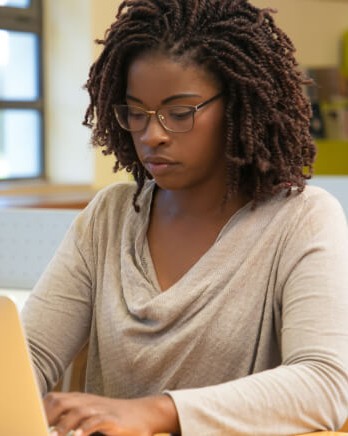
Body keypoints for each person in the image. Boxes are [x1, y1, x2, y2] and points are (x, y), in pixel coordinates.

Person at [22, 0, 348, 435]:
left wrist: (157, 412)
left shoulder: (302, 219)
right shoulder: (110, 217)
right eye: (136, 113)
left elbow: (325, 384)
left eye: (180, 113)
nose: (151, 135)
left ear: (237, 105)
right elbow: (28, 357)